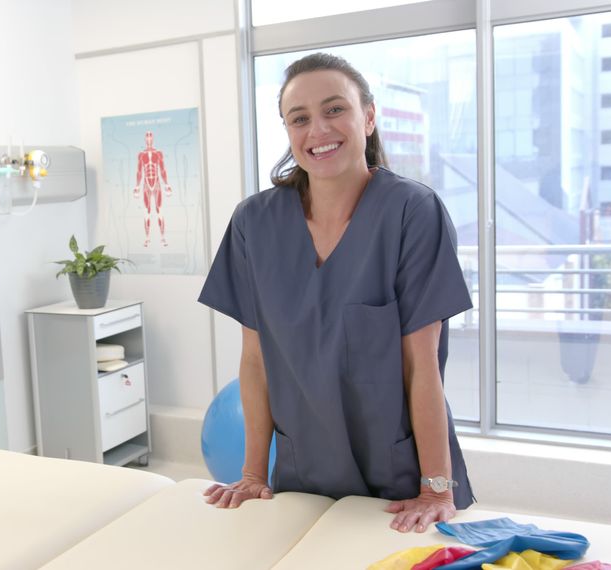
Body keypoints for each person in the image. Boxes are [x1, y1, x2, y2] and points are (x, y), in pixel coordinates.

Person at [197, 53, 474, 533]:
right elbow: (256, 360)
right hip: (302, 476)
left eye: (334, 110)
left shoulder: (412, 212)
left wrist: (435, 488)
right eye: (299, 119)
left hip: (399, 483)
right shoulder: (254, 224)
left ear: (368, 117)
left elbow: (421, 364)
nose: (317, 130)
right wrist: (251, 475)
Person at [133, 130, 172, 247]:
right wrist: (137, 186)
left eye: (150, 135)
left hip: (157, 184)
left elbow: (163, 170)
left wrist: (167, 185)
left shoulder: (158, 153)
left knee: (159, 211)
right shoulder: (141, 154)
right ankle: (147, 238)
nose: (149, 138)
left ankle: (162, 237)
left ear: (153, 138)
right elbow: (139, 171)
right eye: (147, 136)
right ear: (145, 139)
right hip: (146, 185)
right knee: (147, 212)